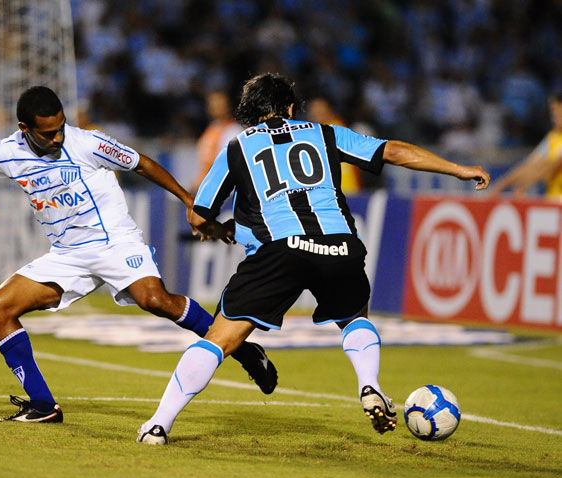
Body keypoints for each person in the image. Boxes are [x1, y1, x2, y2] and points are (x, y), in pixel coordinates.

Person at [0, 86, 278, 423]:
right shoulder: (4, 153)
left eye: (61, 127)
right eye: (47, 132)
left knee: (156, 301)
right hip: (67, 254)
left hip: (114, 242)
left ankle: (242, 351)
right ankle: (42, 405)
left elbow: (142, 163)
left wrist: (190, 203)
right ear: (24, 127)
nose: (57, 137)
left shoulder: (88, 143)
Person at [137, 73, 490, 445]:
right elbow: (393, 152)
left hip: (279, 250)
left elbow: (198, 214)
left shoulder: (237, 147)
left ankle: (159, 425)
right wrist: (458, 169)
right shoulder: (325, 132)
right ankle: (369, 384)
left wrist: (216, 228)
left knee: (219, 339)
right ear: (290, 107)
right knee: (354, 316)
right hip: (339, 244)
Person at [487, 92, 562, 200]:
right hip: (553, 201)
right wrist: (500, 186)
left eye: (558, 112)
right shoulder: (553, 137)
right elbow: (530, 164)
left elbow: (551, 165)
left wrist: (524, 183)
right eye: (552, 112)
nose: (554, 117)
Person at [191, 90, 244, 192]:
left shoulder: (233, 130)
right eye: (211, 103)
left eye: (218, 103)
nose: (214, 106)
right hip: (207, 185)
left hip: (222, 189)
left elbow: (227, 164)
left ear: (228, 105)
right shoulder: (211, 128)